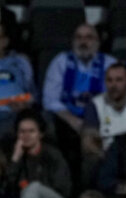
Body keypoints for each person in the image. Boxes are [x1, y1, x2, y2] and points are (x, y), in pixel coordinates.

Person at [41, 24, 116, 152]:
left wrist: (90, 121)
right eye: (79, 37)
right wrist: (72, 120)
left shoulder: (110, 63)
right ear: (73, 42)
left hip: (100, 117)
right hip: (65, 117)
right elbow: (49, 100)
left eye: (89, 37)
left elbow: (116, 96)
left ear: (98, 42)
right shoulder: (61, 61)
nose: (83, 41)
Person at [10, 110, 72, 198]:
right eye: (22, 132)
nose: (26, 135)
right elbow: (7, 187)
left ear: (40, 134)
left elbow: (63, 189)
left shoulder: (53, 155)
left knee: (34, 188)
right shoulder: (14, 155)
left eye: (31, 131)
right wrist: (15, 159)